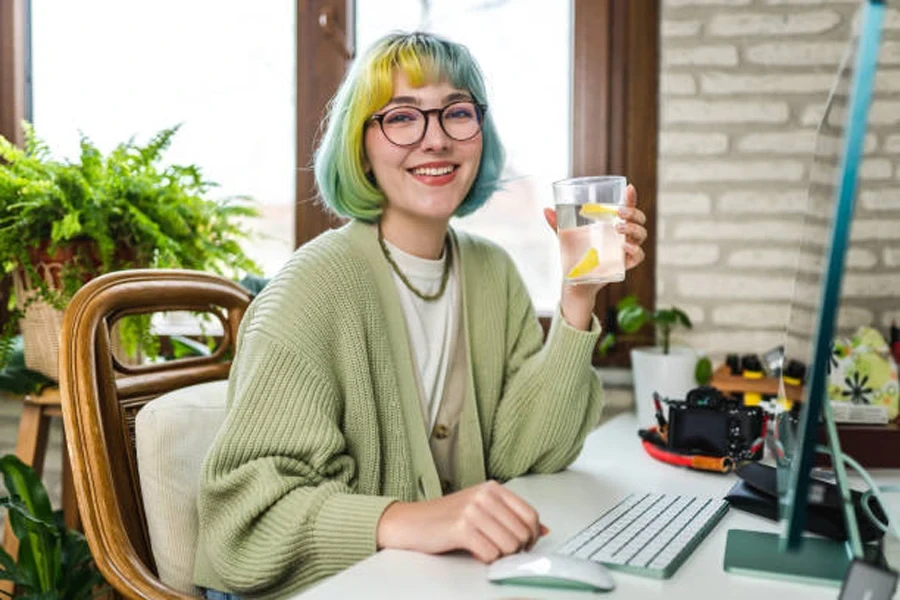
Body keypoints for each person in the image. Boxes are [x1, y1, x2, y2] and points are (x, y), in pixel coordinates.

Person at [194, 31, 648, 599]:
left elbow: (528, 453)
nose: (435, 140)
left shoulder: (492, 272)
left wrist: (579, 297)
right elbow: (245, 523)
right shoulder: (309, 290)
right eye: (403, 118)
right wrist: (410, 519)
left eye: (456, 112)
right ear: (361, 146)